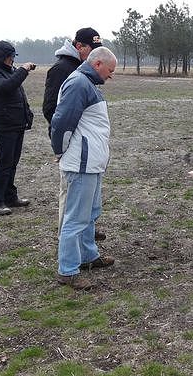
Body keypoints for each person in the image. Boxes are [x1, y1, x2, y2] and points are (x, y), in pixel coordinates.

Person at [50, 46, 117, 290]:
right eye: (110, 70)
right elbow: (61, 122)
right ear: (97, 64)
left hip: (92, 164)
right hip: (81, 165)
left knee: (90, 214)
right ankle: (67, 270)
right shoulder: (78, 84)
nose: (111, 76)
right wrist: (60, 151)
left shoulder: (87, 85)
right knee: (76, 218)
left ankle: (89, 256)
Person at [44, 27, 106, 242]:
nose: (94, 55)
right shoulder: (63, 70)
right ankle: (67, 241)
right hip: (73, 147)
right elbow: (52, 110)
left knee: (83, 201)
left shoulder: (86, 71)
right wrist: (63, 143)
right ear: (79, 46)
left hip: (83, 147)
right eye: (91, 49)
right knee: (70, 197)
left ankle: (82, 236)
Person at [0, 40, 36, 215]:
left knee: (12, 162)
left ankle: (10, 196)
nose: (13, 60)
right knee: (4, 163)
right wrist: (24, 70)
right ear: (2, 57)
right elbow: (7, 87)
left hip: (16, 124)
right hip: (4, 125)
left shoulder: (7, 72)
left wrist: (27, 115)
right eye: (11, 57)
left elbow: (17, 93)